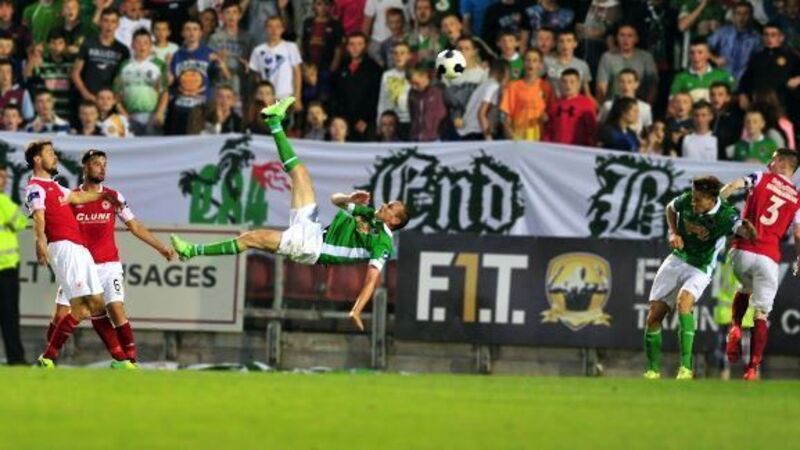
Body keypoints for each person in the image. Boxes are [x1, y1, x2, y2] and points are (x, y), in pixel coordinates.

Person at [170, 97, 409, 331]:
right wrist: (348, 198)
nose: (384, 205)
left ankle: (191, 251)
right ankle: (274, 121)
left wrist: (357, 309)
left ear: (395, 220)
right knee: (300, 173)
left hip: (312, 247)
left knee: (251, 238)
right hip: (314, 229)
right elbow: (334, 200)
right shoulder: (370, 214)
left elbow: (371, 279)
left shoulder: (383, 243)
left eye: (390, 207)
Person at [48, 150, 175, 367]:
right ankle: (49, 363)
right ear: (85, 167)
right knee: (60, 317)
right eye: (97, 164)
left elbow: (134, 226)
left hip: (108, 266)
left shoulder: (114, 197)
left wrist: (161, 247)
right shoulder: (71, 197)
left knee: (116, 309)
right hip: (79, 267)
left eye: (104, 164)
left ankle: (130, 362)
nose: (102, 168)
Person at [23, 140, 127, 368]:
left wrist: (103, 197)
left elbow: (78, 197)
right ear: (37, 159)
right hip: (63, 247)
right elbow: (39, 216)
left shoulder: (54, 186)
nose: (55, 157)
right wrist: (40, 241)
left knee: (98, 304)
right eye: (49, 153)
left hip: (79, 249)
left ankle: (121, 360)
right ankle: (48, 357)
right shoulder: (35, 188)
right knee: (80, 308)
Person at [643, 176, 756, 380]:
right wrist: (673, 233)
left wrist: (749, 229)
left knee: (684, 302)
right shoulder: (687, 199)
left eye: (698, 199)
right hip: (677, 258)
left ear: (712, 199)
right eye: (693, 197)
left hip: (701, 266)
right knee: (653, 317)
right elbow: (670, 208)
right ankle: (653, 370)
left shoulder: (725, 215)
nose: (693, 202)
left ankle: (685, 369)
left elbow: (744, 231)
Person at [720, 149, 800, 380]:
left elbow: (733, 185)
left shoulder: (760, 177)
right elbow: (797, 234)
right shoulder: (797, 199)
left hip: (742, 251)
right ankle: (752, 368)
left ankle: (735, 326)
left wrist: (717, 205)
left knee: (745, 288)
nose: (768, 163)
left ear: (782, 163)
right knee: (761, 314)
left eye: (772, 159)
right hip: (769, 257)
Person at [115, 28, 169, 135]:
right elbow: (116, 94)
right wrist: (124, 114)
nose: (142, 46)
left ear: (151, 46)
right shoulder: (124, 65)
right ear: (132, 45)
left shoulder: (159, 64)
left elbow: (164, 92)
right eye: (138, 42)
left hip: (153, 116)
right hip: (130, 116)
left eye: (146, 43)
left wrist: (160, 113)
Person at [71, 8, 130, 105]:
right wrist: (86, 94)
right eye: (106, 21)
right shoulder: (88, 44)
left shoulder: (123, 50)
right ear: (100, 22)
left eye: (113, 21)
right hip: (88, 100)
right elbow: (75, 73)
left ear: (118, 24)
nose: (109, 25)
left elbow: (124, 77)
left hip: (109, 101)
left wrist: (116, 98)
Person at [0, 163, 28, 365]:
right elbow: (20, 223)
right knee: (9, 317)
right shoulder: (3, 201)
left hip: (6, 268)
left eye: (4, 177)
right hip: (6, 268)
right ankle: (16, 359)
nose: (3, 181)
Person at [331, 32, 381, 141]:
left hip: (364, 123)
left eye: (359, 44)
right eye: (352, 44)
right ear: (347, 47)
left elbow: (375, 96)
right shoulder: (341, 66)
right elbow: (336, 94)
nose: (355, 48)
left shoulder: (374, 68)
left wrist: (365, 118)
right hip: (344, 122)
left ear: (365, 46)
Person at [596, 23, 658, 104]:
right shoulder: (607, 57)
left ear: (636, 39)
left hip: (639, 104)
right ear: (617, 38)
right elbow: (601, 86)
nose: (625, 39)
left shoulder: (646, 57)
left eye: (630, 36)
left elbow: (653, 86)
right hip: (614, 103)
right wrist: (604, 106)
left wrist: (647, 106)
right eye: (622, 35)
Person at [249, 16, 303, 110]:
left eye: (277, 27)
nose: (274, 30)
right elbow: (257, 76)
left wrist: (297, 97)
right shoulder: (258, 50)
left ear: (282, 29)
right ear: (265, 29)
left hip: (286, 97)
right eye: (270, 26)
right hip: (266, 99)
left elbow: (297, 73)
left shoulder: (291, 47)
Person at [500, 48, 553, 141]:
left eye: (535, 60)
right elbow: (507, 116)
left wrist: (546, 118)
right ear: (523, 63)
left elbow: (551, 114)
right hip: (518, 137)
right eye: (528, 60)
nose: (530, 63)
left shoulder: (546, 87)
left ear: (540, 65)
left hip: (540, 138)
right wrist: (510, 135)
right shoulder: (513, 87)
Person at [708, 1, 760, 83]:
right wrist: (715, 59)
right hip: (722, 79)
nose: (741, 17)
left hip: (744, 81)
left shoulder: (756, 38)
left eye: (745, 14)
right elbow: (703, 48)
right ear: (733, 16)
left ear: (751, 16)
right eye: (738, 13)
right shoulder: (723, 33)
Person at [544, 68, 597, 147]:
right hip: (556, 148)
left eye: (572, 82)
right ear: (560, 84)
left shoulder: (586, 104)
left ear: (578, 84)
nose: (568, 85)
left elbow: (592, 130)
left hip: (577, 149)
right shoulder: (555, 105)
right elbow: (549, 129)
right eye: (564, 82)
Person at [670, 39, 734, 103]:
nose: (696, 56)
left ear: (708, 55)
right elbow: (672, 102)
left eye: (700, 52)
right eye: (692, 53)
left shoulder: (722, 75)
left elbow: (734, 96)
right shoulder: (681, 77)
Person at [457, 59, 507, 141]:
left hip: (468, 130)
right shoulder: (493, 87)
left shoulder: (484, 85)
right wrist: (488, 137)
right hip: (477, 132)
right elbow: (481, 113)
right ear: (503, 73)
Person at [598, 68, 652, 135]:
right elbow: (600, 126)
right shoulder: (608, 105)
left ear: (636, 84)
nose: (625, 85)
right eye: (622, 82)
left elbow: (647, 131)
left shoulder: (645, 108)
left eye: (629, 82)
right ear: (618, 84)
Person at [544, 29, 592, 99]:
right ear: (556, 44)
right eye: (561, 41)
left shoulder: (582, 65)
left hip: (573, 104)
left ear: (575, 44)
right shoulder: (547, 61)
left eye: (569, 41)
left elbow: (587, 93)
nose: (565, 45)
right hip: (552, 103)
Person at [376, 41, 411, 136]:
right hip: (392, 121)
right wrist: (379, 122)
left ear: (409, 56)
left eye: (402, 53)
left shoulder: (413, 74)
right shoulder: (387, 75)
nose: (399, 56)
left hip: (410, 120)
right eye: (395, 53)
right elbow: (382, 100)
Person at [408, 65, 446, 141]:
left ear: (424, 76)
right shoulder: (412, 93)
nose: (413, 87)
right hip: (416, 137)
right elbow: (412, 114)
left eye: (416, 83)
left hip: (435, 137)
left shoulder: (438, 91)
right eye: (411, 83)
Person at [710, 81, 744, 161]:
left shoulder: (736, 118)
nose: (716, 98)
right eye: (713, 95)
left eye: (720, 95)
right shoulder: (706, 116)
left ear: (728, 97)